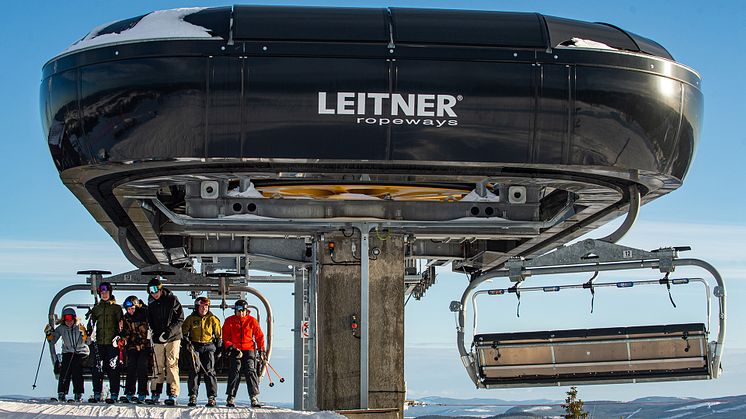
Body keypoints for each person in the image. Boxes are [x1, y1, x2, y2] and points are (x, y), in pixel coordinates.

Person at [146, 276, 184, 406]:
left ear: (161, 289)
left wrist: (168, 332)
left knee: (171, 364)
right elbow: (150, 320)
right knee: (158, 365)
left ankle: (172, 393)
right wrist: (155, 334)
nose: (154, 294)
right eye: (151, 291)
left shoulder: (171, 300)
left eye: (156, 290)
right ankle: (155, 392)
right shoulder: (151, 302)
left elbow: (180, 319)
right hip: (158, 338)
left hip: (172, 337)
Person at [223, 299, 265, 408]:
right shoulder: (229, 321)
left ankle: (254, 396)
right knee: (235, 370)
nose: (240, 313)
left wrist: (261, 349)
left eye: (243, 311)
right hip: (235, 349)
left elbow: (259, 336)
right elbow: (225, 337)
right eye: (238, 310)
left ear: (246, 311)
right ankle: (231, 397)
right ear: (235, 311)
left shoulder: (252, 321)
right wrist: (231, 346)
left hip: (248, 348)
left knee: (250, 369)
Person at [182, 296, 222, 407]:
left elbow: (218, 335)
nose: (204, 309)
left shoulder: (212, 319)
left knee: (209, 370)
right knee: (195, 370)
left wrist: (218, 348)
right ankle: (193, 395)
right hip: (195, 346)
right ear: (197, 307)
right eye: (202, 306)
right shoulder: (191, 319)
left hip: (208, 346)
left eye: (206, 306)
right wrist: (186, 341)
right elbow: (184, 332)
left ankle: (211, 396)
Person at [45, 307, 90, 402]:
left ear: (74, 319)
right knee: (65, 368)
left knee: (76, 367)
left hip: (80, 352)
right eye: (66, 320)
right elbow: (52, 341)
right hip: (68, 352)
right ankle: (62, 392)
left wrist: (85, 335)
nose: (69, 322)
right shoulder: (61, 329)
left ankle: (78, 393)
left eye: (70, 319)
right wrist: (49, 334)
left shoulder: (80, 327)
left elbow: (88, 341)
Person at [88, 281, 123, 403]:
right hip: (99, 342)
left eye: (106, 292)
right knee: (97, 368)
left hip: (112, 343)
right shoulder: (96, 309)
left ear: (110, 292)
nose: (104, 294)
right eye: (102, 292)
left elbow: (121, 325)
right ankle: (97, 393)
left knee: (113, 368)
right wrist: (89, 332)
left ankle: (114, 394)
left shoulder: (116, 308)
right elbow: (91, 325)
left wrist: (119, 336)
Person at [118, 295, 150, 403]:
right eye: (128, 309)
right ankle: (129, 392)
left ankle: (142, 392)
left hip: (145, 346)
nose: (130, 311)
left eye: (132, 308)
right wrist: (123, 338)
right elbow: (126, 332)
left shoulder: (145, 314)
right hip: (132, 345)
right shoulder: (126, 318)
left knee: (142, 366)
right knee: (131, 366)